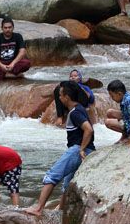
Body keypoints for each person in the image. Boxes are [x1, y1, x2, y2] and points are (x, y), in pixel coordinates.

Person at [26, 82, 95, 216]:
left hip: (77, 151)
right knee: (68, 185)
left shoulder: (75, 112)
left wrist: (81, 149)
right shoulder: (79, 109)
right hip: (88, 151)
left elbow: (88, 129)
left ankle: (38, 208)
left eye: (60, 95)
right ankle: (61, 211)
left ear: (67, 97)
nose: (59, 98)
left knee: (52, 176)